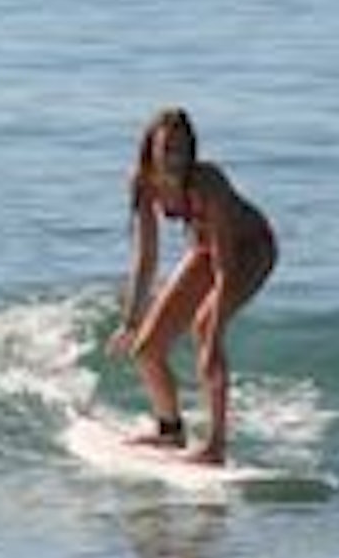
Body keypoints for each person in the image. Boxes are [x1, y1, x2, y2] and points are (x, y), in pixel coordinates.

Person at [106, 107, 277, 465]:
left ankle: (216, 446)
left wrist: (215, 331)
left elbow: (226, 262)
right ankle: (170, 431)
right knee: (147, 349)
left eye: (181, 149)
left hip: (251, 249)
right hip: (205, 249)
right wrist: (130, 319)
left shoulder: (206, 183)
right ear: (150, 148)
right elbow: (146, 257)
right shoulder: (143, 183)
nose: (174, 158)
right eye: (166, 148)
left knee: (204, 330)